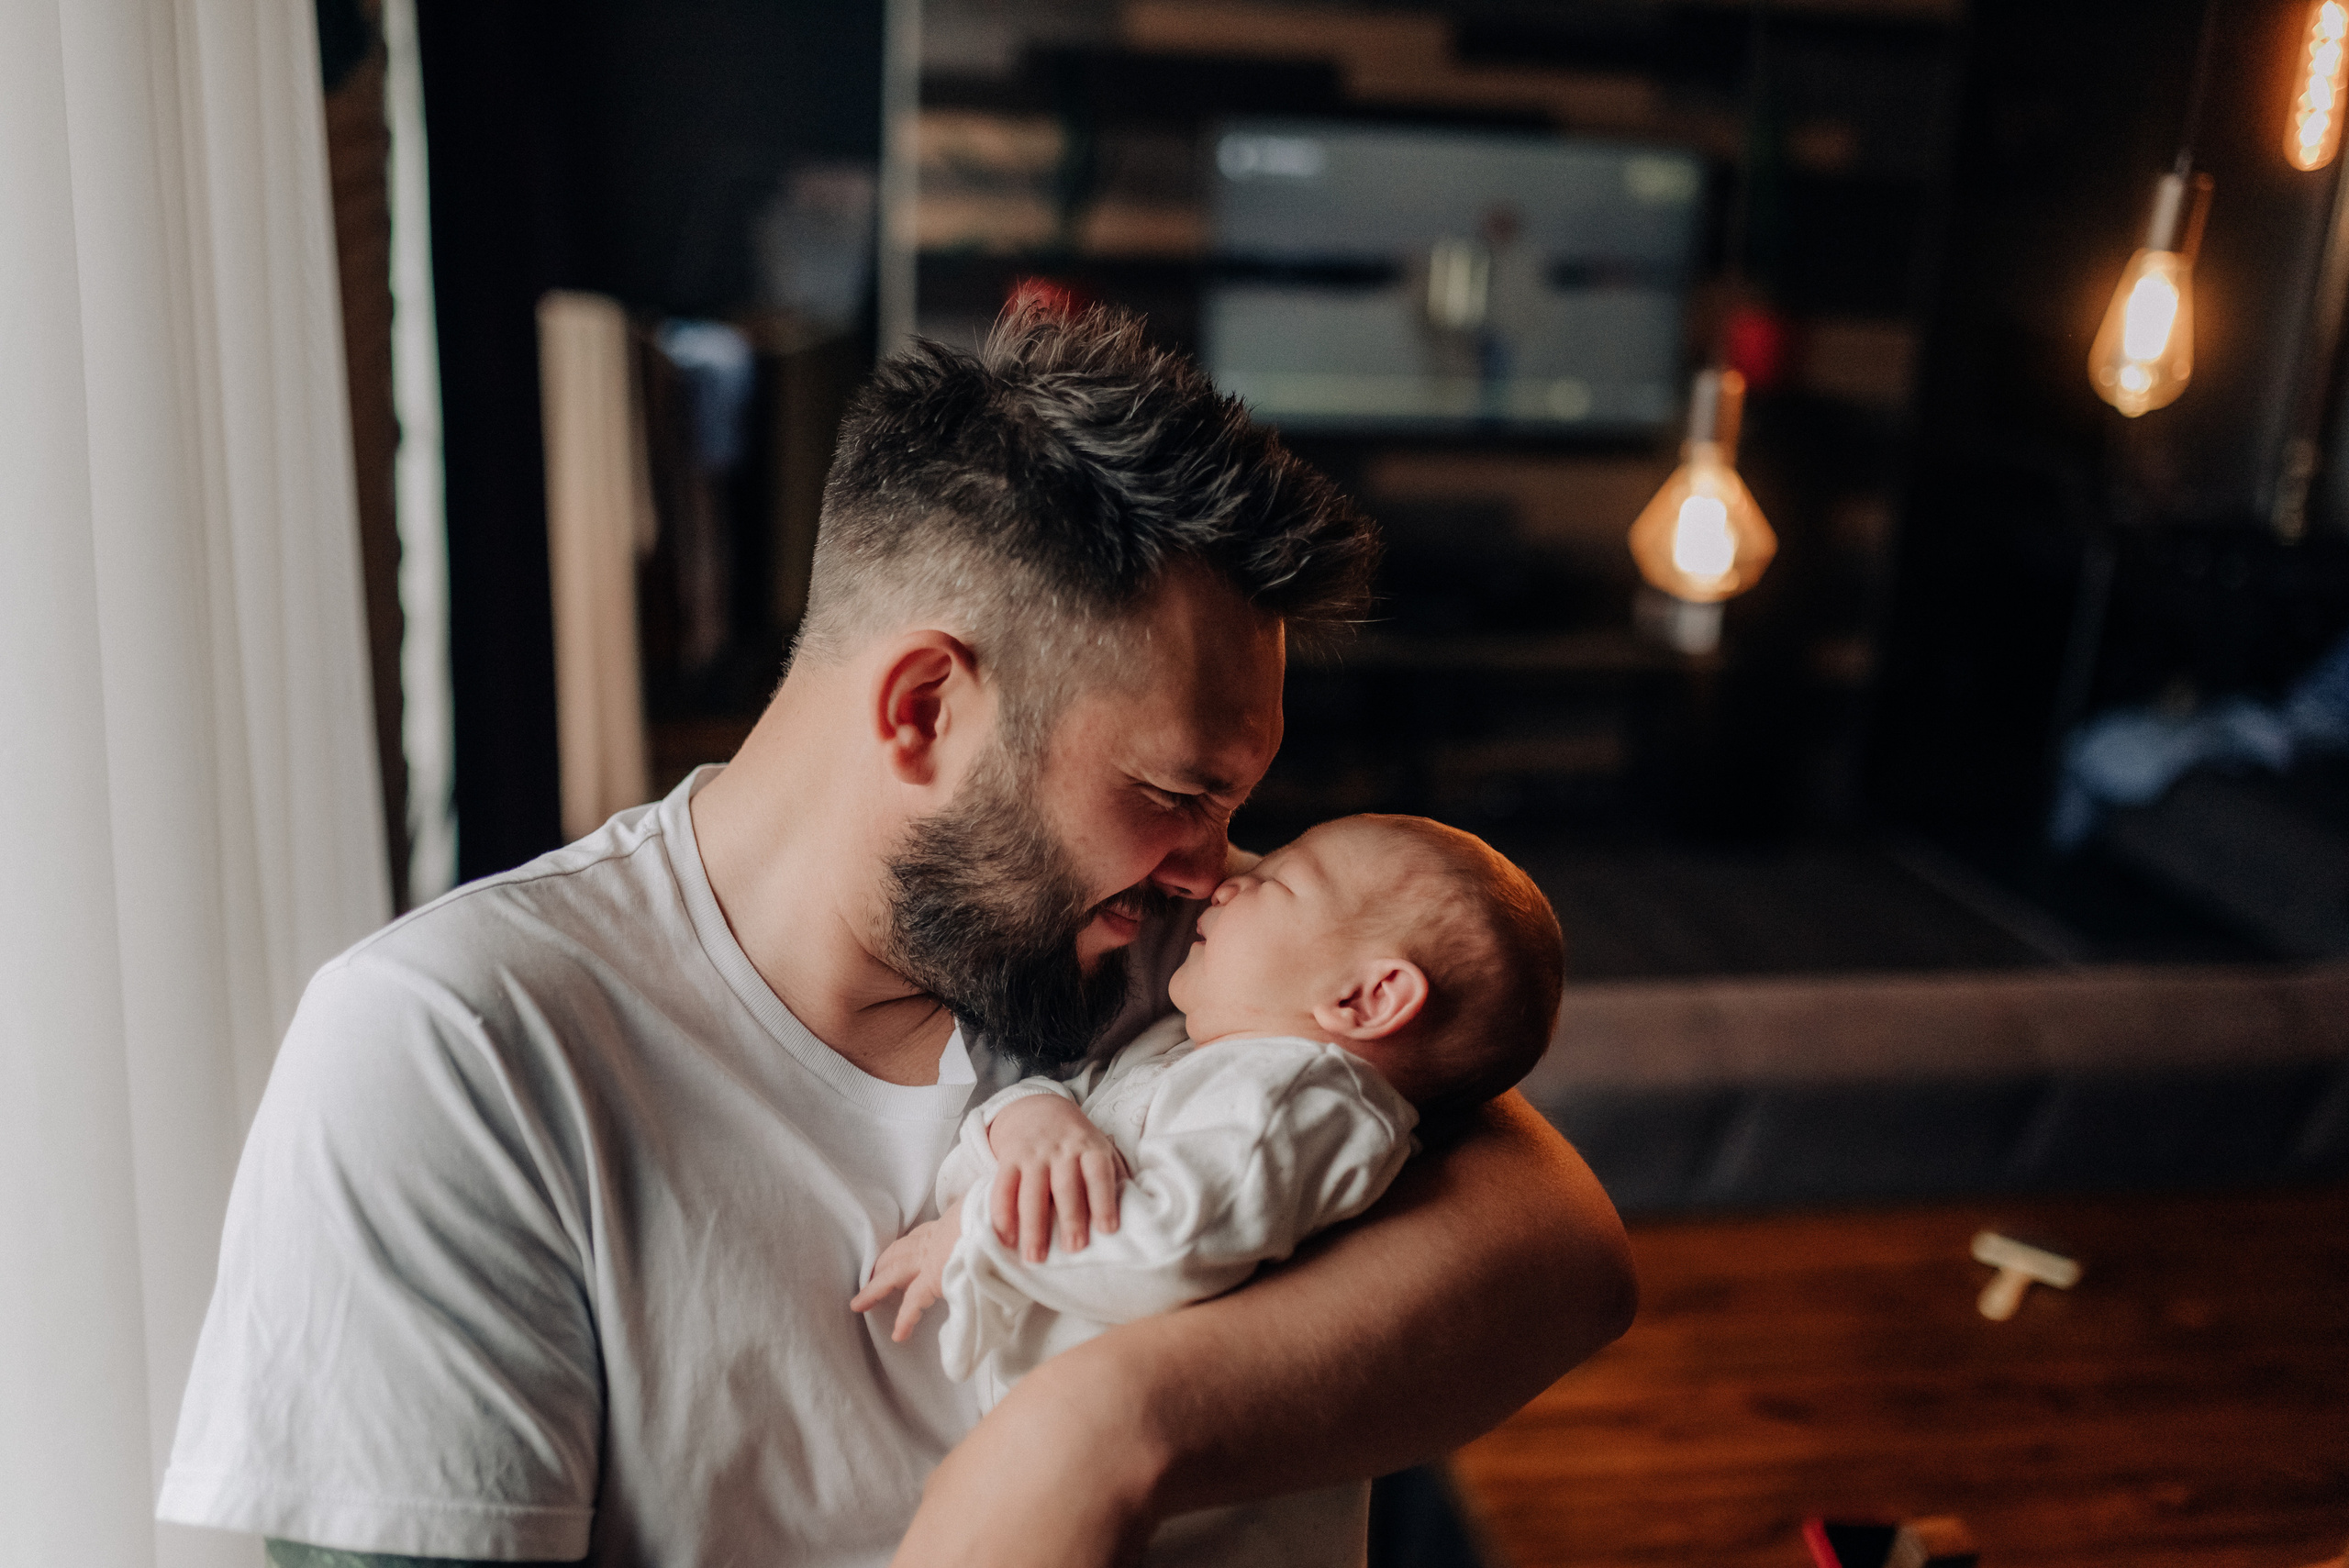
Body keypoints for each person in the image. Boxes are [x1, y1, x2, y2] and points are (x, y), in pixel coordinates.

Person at [158, 306, 1634, 1568]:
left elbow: (1567, 1245)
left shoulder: (1178, 953)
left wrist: (1099, 1431)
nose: (1215, 870)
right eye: (1181, 795)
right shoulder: (458, 1051)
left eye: (1232, 807)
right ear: (924, 708)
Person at [850, 814, 1564, 1567]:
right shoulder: (1200, 1050)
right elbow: (1081, 1115)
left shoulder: (1308, 1104)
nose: (1228, 883)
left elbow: (1172, 1249)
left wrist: (977, 1232)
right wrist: (1029, 1119)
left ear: (1369, 996)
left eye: (1277, 881)